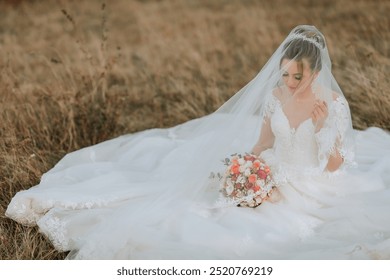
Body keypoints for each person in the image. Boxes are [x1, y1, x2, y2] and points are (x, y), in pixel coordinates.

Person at [6, 25, 390, 259]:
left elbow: (336, 165)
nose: (289, 83)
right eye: (285, 74)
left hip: (312, 183)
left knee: (261, 230)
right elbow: (264, 141)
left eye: (297, 77)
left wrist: (324, 130)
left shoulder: (332, 104)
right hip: (273, 170)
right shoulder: (276, 96)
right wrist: (246, 165)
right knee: (206, 201)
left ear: (316, 71)